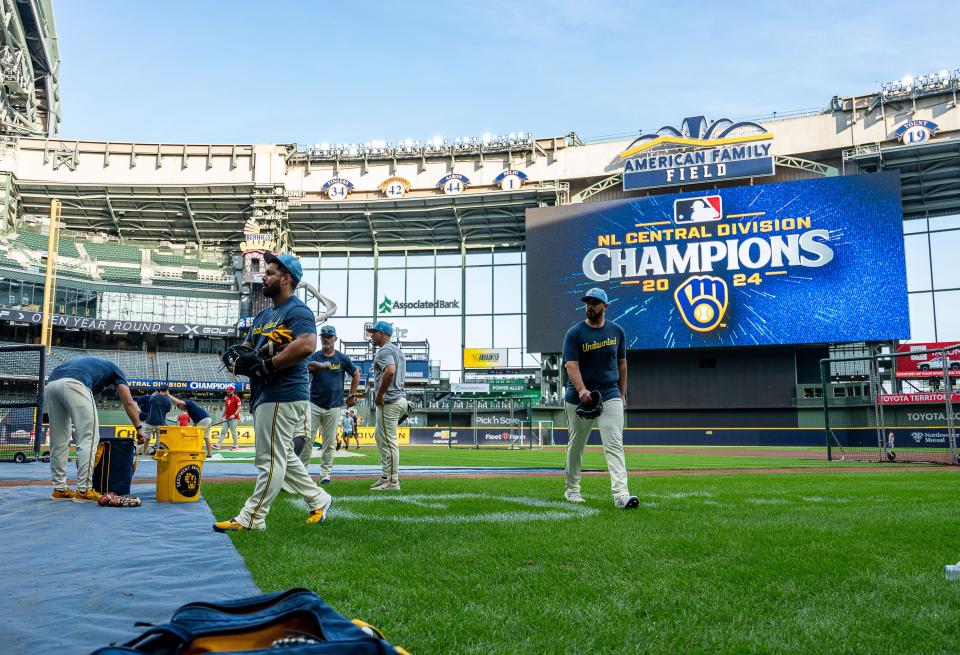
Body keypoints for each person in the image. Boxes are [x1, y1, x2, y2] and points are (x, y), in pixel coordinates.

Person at [213, 252, 332, 532]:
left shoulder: (298, 310)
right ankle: (319, 498)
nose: (263, 277)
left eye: (270, 273)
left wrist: (267, 366)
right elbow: (246, 349)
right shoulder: (264, 315)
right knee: (284, 457)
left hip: (284, 391)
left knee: (268, 459)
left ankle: (252, 518)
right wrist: (239, 359)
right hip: (265, 393)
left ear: (286, 278)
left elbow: (305, 344)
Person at [562, 287, 639, 510]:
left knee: (614, 443)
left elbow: (622, 363)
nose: (590, 306)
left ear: (605, 306)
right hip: (578, 397)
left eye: (595, 303)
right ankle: (572, 490)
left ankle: (621, 495)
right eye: (587, 303)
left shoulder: (617, 331)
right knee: (577, 444)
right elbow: (571, 365)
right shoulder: (574, 334)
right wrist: (582, 390)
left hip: (609, 392)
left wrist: (622, 393)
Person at [46, 356, 147, 501]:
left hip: (51, 385)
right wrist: (138, 428)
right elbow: (129, 402)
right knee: (89, 437)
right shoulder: (116, 371)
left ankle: (59, 489)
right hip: (75, 384)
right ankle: (84, 490)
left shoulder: (93, 366)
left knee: (58, 440)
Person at [305, 324, 359, 483]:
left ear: (335, 338)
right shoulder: (315, 356)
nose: (326, 338)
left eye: (329, 336)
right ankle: (302, 474)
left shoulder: (342, 358)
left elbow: (355, 374)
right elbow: (305, 366)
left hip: (334, 406)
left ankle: (325, 475)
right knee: (307, 440)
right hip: (313, 403)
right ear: (320, 338)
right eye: (324, 336)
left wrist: (352, 395)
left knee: (329, 443)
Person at [367, 320, 407, 491]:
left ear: (382, 334)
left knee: (389, 442)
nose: (371, 335)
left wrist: (380, 393)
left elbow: (390, 370)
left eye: (374, 332)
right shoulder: (397, 350)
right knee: (381, 438)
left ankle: (392, 481)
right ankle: (385, 476)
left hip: (389, 401)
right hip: (398, 399)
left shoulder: (384, 350)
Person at [142, 386, 173, 455]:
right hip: (161, 422)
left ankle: (144, 452)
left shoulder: (153, 397)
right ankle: (158, 453)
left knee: (146, 438)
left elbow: (150, 404)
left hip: (150, 421)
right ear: (167, 390)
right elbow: (168, 410)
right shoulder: (168, 400)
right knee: (160, 440)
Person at [215, 384, 241, 451]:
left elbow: (239, 408)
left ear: (233, 391)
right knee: (223, 431)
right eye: (227, 391)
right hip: (226, 418)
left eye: (229, 391)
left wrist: (234, 415)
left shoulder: (237, 398)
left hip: (234, 419)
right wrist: (223, 416)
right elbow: (226, 407)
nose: (228, 392)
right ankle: (218, 445)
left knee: (233, 432)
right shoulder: (227, 398)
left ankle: (236, 446)